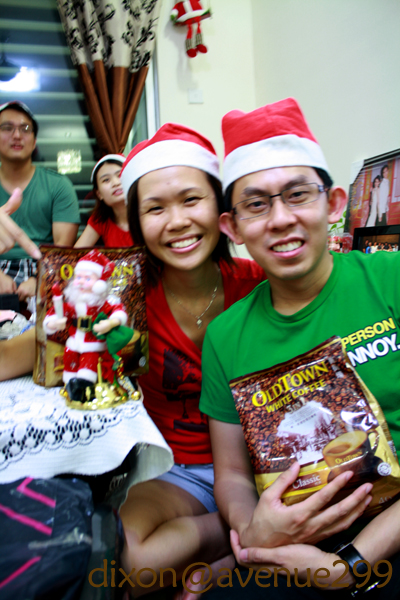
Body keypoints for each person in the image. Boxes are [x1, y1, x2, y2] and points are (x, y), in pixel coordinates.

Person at [199, 98, 400, 598]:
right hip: (298, 540)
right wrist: (254, 530)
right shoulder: (226, 336)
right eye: (256, 205)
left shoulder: (390, 280)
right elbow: (232, 474)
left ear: (333, 204)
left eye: (298, 195)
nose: (281, 219)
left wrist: (349, 564)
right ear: (232, 228)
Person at [118, 122, 267, 598]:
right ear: (137, 222)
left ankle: (237, 548)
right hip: (178, 472)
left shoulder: (262, 284)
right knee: (127, 561)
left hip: (265, 472)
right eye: (155, 208)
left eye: (190, 200)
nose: (177, 221)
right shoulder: (127, 299)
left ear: (220, 208)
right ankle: (233, 544)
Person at [0, 101, 80, 301]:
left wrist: (39, 277)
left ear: (34, 142)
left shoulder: (59, 185)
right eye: (7, 128)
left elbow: (62, 248)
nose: (17, 135)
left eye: (25, 129)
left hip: (45, 265)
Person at [43, 249, 128, 402]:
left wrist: (111, 323)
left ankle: (84, 386)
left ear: (100, 284)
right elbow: (55, 313)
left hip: (93, 344)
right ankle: (70, 385)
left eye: (87, 278)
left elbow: (118, 311)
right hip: (73, 343)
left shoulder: (102, 303)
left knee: (89, 363)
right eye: (78, 277)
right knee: (69, 360)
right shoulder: (72, 303)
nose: (81, 282)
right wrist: (54, 322)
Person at [75, 154, 134, 248]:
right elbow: (76, 254)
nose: (115, 183)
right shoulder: (100, 220)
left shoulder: (148, 212)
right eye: (106, 180)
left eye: (120, 175)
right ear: (99, 194)